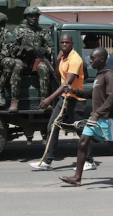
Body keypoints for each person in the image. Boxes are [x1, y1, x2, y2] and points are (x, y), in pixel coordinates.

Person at [59, 47, 113, 188]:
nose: (90, 60)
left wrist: (97, 114)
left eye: (93, 58)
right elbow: (93, 93)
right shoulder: (100, 75)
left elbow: (112, 98)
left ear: (102, 59)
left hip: (106, 119)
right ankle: (77, 178)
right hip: (95, 118)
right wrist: (74, 91)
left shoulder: (109, 75)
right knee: (83, 143)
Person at [29, 33, 96, 171]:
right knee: (52, 126)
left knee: (80, 130)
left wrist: (49, 98)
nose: (64, 44)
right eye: (62, 42)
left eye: (67, 42)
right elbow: (59, 76)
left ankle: (89, 161)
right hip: (65, 98)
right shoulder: (64, 58)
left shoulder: (75, 59)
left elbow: (67, 83)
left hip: (76, 100)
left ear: (72, 44)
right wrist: (58, 61)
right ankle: (47, 161)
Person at [10, 7, 53, 103]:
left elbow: (52, 47)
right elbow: (11, 48)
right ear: (26, 17)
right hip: (23, 60)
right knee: (17, 66)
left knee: (44, 67)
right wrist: (24, 50)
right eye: (31, 16)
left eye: (36, 16)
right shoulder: (18, 30)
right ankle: (14, 100)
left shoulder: (42, 31)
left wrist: (45, 50)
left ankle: (44, 99)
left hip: (37, 61)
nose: (34, 18)